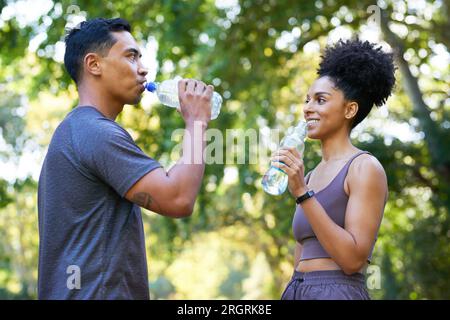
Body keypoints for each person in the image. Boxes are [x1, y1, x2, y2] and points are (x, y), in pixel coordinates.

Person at [37, 18, 213, 299]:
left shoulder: (76, 130)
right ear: (94, 64)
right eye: (131, 57)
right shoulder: (96, 132)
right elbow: (178, 199)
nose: (143, 69)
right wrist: (197, 122)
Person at [274, 38, 396, 300]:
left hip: (337, 292)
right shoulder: (308, 176)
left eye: (320, 100)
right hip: (297, 290)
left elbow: (352, 260)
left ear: (350, 109)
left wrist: (303, 194)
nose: (307, 108)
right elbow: (301, 254)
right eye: (307, 100)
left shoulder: (364, 168)